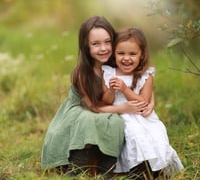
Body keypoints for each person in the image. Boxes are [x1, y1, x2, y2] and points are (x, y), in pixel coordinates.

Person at [41, 16, 153, 179]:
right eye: (96, 44)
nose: (103, 48)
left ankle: (109, 166)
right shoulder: (82, 73)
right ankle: (79, 164)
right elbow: (93, 107)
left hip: (108, 110)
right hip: (82, 110)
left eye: (108, 42)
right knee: (92, 119)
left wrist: (151, 101)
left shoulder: (120, 62)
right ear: (86, 46)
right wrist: (124, 108)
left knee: (116, 121)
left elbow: (144, 78)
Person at [102, 28, 184, 179]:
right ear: (114, 53)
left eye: (132, 54)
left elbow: (145, 102)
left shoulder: (146, 75)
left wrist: (125, 89)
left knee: (156, 132)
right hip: (120, 113)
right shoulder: (109, 73)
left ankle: (155, 167)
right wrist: (112, 90)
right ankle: (136, 169)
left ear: (142, 55)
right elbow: (106, 101)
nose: (126, 58)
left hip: (142, 115)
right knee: (132, 132)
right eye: (121, 53)